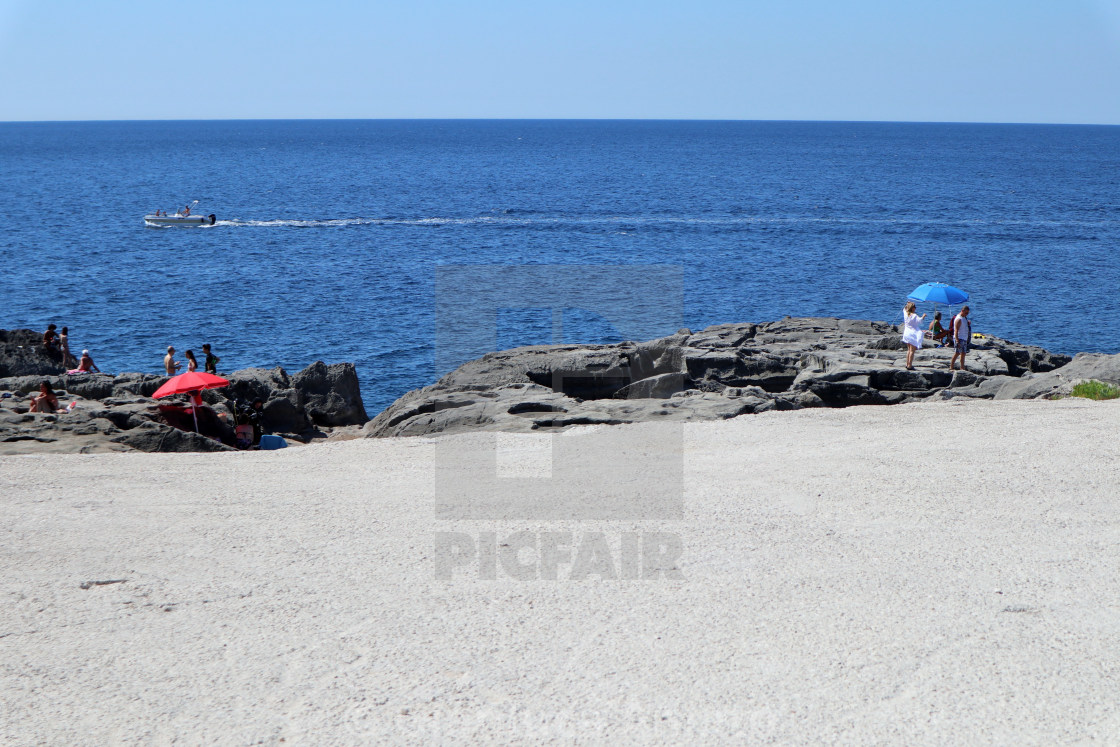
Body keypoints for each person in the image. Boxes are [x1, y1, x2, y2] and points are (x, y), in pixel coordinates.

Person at [900, 301, 926, 371]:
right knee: (912, 351)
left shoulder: (905, 313)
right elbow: (920, 321)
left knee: (909, 350)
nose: (915, 308)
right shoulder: (914, 316)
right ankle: (910, 365)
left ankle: (907, 363)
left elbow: (904, 308)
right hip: (912, 334)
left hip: (906, 333)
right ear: (912, 308)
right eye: (915, 307)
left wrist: (907, 304)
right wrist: (923, 316)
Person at [950, 306, 972, 371]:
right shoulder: (958, 319)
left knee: (963, 353)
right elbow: (956, 330)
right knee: (957, 353)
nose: (966, 314)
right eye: (966, 313)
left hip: (964, 338)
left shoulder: (964, 318)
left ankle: (962, 367)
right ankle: (951, 366)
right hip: (960, 338)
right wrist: (957, 340)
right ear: (962, 311)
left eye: (967, 313)